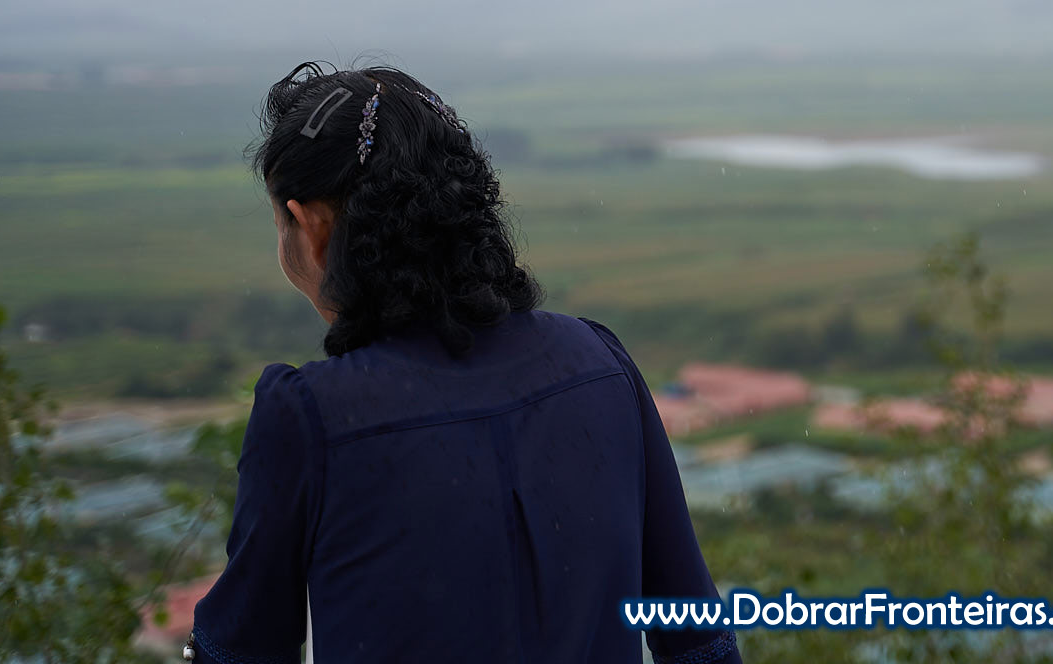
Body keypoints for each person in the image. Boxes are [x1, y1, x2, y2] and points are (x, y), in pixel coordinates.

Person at [190, 63, 739, 664]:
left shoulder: (311, 415)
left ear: (313, 228)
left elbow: (237, 650)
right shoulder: (601, 363)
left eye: (281, 228)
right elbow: (698, 640)